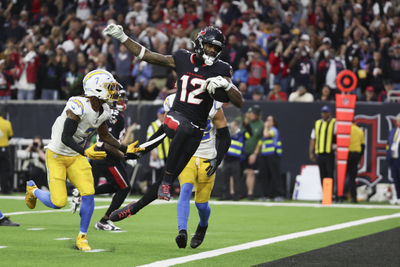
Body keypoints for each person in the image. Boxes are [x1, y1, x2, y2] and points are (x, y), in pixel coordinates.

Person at [103, 24, 243, 201]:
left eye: (216, 48)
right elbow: (148, 55)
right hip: (176, 115)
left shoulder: (222, 69)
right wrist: (123, 38)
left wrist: (227, 85)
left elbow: (238, 101)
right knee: (181, 128)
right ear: (200, 43)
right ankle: (166, 182)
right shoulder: (182, 58)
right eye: (209, 46)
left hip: (197, 128)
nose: (212, 51)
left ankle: (133, 199)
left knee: (174, 158)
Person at [24, 69, 144, 251]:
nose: (113, 92)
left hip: (76, 156)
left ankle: (82, 236)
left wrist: (125, 149)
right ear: (95, 89)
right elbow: (66, 137)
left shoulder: (103, 109)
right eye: (108, 87)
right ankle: (33, 190)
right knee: (58, 203)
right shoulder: (77, 104)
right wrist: (86, 152)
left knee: (88, 194)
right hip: (57, 154)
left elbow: (105, 136)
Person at [108, 93, 231, 250]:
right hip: (187, 154)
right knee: (184, 190)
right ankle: (182, 231)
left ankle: (202, 226)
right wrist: (141, 150)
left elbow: (225, 137)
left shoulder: (213, 105)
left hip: (208, 155)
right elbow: (163, 131)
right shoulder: (173, 101)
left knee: (201, 205)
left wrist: (217, 159)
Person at [250, 115, 283, 201]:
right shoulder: (265, 131)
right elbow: (259, 144)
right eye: (267, 120)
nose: (267, 122)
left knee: (275, 175)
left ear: (273, 122)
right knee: (264, 176)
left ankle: (278, 195)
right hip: (264, 156)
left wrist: (265, 127)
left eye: (269, 120)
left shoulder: (274, 130)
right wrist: (254, 154)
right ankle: (265, 195)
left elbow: (266, 134)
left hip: (273, 155)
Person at [309, 105, 336, 188]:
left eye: (326, 112)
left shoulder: (334, 122)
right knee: (322, 174)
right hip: (320, 153)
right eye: (323, 112)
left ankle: (331, 194)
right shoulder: (317, 123)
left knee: (330, 173)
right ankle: (325, 194)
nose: (324, 114)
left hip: (330, 153)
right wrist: (311, 152)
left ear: (329, 113)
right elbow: (313, 138)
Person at [220, 119, 244, 201]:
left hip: (235, 159)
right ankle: (225, 195)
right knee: (225, 178)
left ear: (237, 125)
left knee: (236, 179)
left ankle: (236, 195)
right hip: (227, 159)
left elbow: (236, 138)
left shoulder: (240, 134)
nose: (231, 127)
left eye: (233, 125)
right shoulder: (230, 133)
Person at [243, 105, 264, 200]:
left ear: (257, 115)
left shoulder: (261, 125)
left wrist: (255, 154)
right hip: (241, 152)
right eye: (250, 113)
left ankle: (250, 194)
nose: (251, 114)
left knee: (250, 172)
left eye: (253, 113)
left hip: (251, 153)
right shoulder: (245, 123)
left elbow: (260, 140)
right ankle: (233, 193)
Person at [146, 107, 171, 186]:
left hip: (168, 153)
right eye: (161, 114)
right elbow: (149, 140)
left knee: (168, 173)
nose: (163, 116)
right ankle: (155, 191)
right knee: (158, 175)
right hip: (158, 154)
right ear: (158, 115)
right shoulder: (153, 125)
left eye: (164, 114)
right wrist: (152, 152)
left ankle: (168, 190)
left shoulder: (169, 124)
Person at [346, 122, 365, 203]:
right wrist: (359, 156)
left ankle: (338, 196)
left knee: (340, 177)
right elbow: (363, 145)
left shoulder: (345, 130)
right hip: (355, 155)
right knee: (352, 178)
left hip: (345, 154)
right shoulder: (359, 130)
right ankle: (353, 197)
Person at [387, 114, 400, 205]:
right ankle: (398, 197)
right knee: (396, 178)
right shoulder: (393, 131)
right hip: (393, 158)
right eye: (398, 120)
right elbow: (389, 143)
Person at [0, 107, 13, 194]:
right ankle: (4, 189)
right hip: (3, 149)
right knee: (4, 170)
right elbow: (10, 135)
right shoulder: (6, 123)